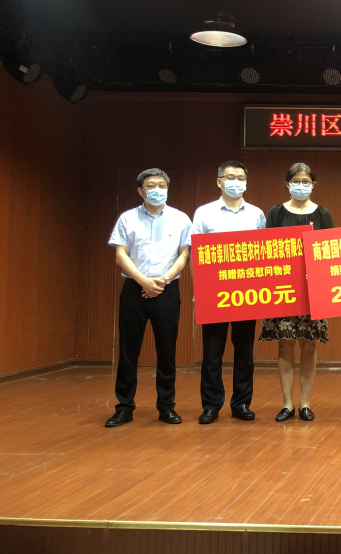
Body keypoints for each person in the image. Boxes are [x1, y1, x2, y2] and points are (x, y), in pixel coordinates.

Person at [104, 168, 192, 428]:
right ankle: (124, 407)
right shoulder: (127, 218)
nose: (157, 190)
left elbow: (184, 255)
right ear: (140, 191)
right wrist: (143, 281)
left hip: (167, 289)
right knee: (128, 350)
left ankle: (166, 407)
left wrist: (163, 280)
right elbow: (121, 254)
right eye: (151, 185)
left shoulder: (180, 218)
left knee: (167, 350)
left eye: (162, 185)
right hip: (134, 289)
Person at [190, 160, 267, 425]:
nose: (236, 182)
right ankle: (211, 405)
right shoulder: (204, 213)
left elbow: (265, 254)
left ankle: (241, 403)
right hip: (214, 293)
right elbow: (195, 254)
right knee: (212, 353)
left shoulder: (257, 214)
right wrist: (198, 290)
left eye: (241, 178)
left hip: (247, 293)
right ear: (219, 181)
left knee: (244, 351)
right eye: (230, 177)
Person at [259, 163, 334, 422]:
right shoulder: (276, 213)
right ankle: (287, 403)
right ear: (287, 184)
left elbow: (331, 252)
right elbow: (267, 250)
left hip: (314, 292)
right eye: (296, 181)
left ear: (313, 185)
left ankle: (305, 403)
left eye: (306, 182)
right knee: (285, 344)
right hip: (283, 290)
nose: (301, 186)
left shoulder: (323, 214)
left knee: (309, 345)